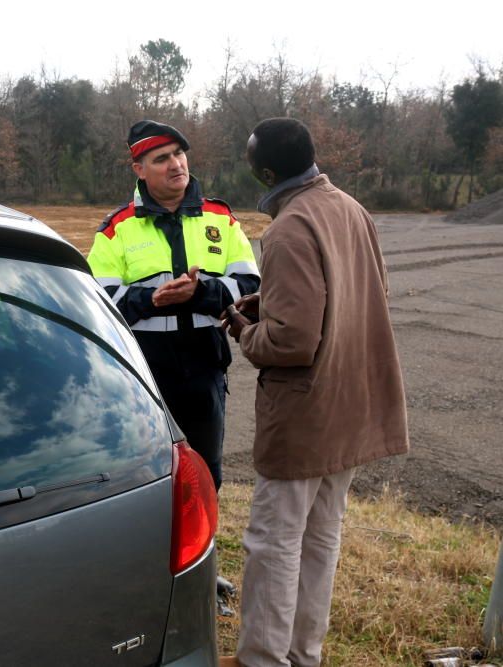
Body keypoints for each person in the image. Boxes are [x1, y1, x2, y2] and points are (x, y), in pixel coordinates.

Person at [220, 117, 409, 667]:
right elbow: (361, 297)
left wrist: (243, 328)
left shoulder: (287, 228)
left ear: (266, 172)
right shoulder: (351, 208)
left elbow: (293, 342)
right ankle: (304, 654)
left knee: (274, 542)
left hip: (306, 416)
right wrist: (271, 305)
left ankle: (261, 658)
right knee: (321, 538)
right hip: (352, 406)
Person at [87, 120, 260, 610]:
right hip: (144, 373)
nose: (176, 164)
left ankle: (204, 576)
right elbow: (100, 300)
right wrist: (151, 298)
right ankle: (145, 574)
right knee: (143, 475)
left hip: (204, 365)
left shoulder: (221, 219)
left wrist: (203, 292)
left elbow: (250, 285)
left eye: (179, 154)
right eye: (161, 158)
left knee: (206, 476)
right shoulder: (116, 228)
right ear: (139, 169)